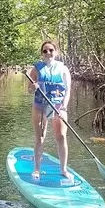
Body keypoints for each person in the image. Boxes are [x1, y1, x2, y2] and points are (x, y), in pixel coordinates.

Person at [28, 41, 72, 182]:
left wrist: (63, 106)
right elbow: (29, 89)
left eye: (51, 50)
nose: (48, 53)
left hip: (58, 106)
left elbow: (68, 90)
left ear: (56, 52)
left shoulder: (63, 69)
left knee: (61, 137)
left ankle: (63, 169)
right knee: (40, 138)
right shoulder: (36, 69)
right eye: (45, 51)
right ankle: (36, 169)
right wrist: (33, 87)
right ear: (42, 53)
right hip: (40, 106)